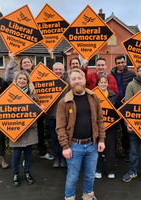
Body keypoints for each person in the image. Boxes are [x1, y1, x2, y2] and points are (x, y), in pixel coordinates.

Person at [56, 68, 105, 200]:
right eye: (74, 79)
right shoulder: (64, 102)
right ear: (70, 82)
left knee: (90, 175)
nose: (77, 81)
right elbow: (60, 127)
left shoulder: (94, 98)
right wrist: (65, 147)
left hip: (92, 144)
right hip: (73, 146)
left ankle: (88, 196)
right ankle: (70, 197)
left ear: (84, 80)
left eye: (79, 78)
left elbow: (100, 120)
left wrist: (101, 140)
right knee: (72, 177)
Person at [5, 51, 54, 161]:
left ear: (32, 64)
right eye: (24, 62)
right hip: (21, 110)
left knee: (39, 131)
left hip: (37, 107)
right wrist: (12, 60)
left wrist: (51, 56)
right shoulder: (19, 75)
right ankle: (25, 157)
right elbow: (8, 78)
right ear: (21, 65)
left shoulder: (38, 73)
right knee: (22, 133)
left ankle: (42, 152)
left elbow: (52, 78)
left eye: (28, 62)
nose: (27, 63)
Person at [10, 70, 45, 187]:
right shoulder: (10, 93)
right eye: (20, 78)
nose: (22, 81)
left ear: (27, 81)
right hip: (16, 128)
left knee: (28, 152)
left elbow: (38, 109)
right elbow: (1, 107)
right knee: (17, 153)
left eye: (24, 79)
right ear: (16, 80)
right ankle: (15, 173)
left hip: (30, 128)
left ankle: (27, 172)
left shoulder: (32, 93)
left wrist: (41, 107)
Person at [110, 55, 136, 162]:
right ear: (115, 64)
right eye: (118, 63)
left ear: (125, 62)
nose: (121, 64)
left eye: (122, 62)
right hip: (115, 106)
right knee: (113, 131)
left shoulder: (131, 74)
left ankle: (127, 151)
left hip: (127, 107)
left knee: (126, 131)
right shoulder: (111, 75)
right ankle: (113, 152)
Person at [47, 62, 71, 168]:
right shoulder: (47, 82)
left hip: (65, 117)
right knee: (54, 139)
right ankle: (57, 158)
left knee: (65, 138)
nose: (58, 71)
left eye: (60, 69)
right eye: (56, 69)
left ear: (64, 70)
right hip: (51, 116)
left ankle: (64, 158)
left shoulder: (68, 83)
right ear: (52, 71)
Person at [94, 75, 118, 179]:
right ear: (97, 84)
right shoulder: (93, 95)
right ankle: (98, 169)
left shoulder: (113, 95)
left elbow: (116, 111)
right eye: (101, 82)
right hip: (97, 126)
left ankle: (110, 170)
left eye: (105, 82)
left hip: (110, 126)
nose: (103, 84)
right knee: (97, 149)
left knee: (110, 148)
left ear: (108, 84)